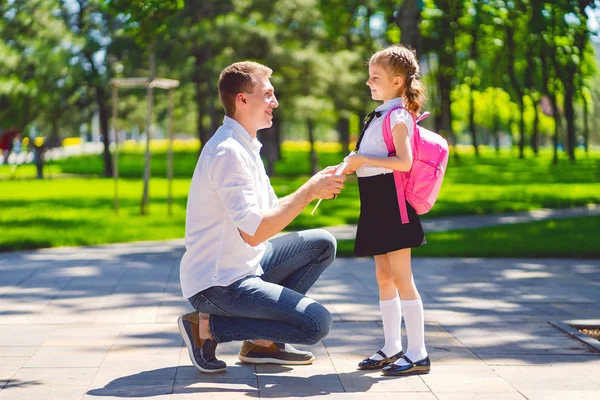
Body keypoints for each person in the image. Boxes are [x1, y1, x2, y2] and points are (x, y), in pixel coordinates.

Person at [178, 61, 346, 373]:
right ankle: (207, 327)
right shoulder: (228, 151)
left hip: (247, 265)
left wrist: (312, 188)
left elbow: (269, 214)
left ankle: (261, 344)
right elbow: (254, 232)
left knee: (322, 243)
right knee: (315, 324)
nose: (275, 102)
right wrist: (309, 191)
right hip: (218, 284)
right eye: (267, 94)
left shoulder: (246, 147)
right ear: (242, 100)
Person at [342, 45, 430, 376]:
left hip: (394, 204)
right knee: (383, 277)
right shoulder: (378, 115)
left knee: (401, 277)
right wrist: (352, 165)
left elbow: (403, 162)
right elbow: (370, 157)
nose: (368, 82)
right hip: (375, 201)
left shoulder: (398, 116)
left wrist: (363, 160)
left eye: (375, 77)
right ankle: (392, 346)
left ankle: (418, 352)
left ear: (396, 81)